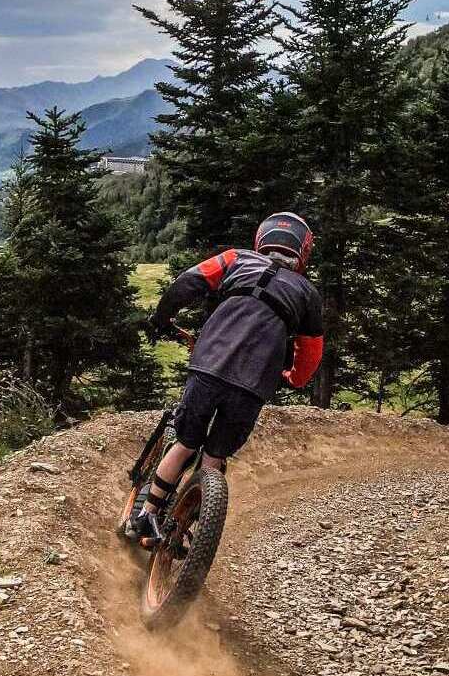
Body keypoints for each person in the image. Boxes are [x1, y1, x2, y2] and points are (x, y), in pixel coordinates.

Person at [128, 211, 325, 547]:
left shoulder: (236, 258)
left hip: (209, 366)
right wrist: (294, 378)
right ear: (303, 251)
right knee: (213, 458)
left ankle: (146, 514)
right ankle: (190, 534)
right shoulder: (307, 293)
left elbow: (187, 282)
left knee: (186, 442)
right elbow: (311, 352)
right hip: (253, 386)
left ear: (261, 239)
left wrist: (161, 318)